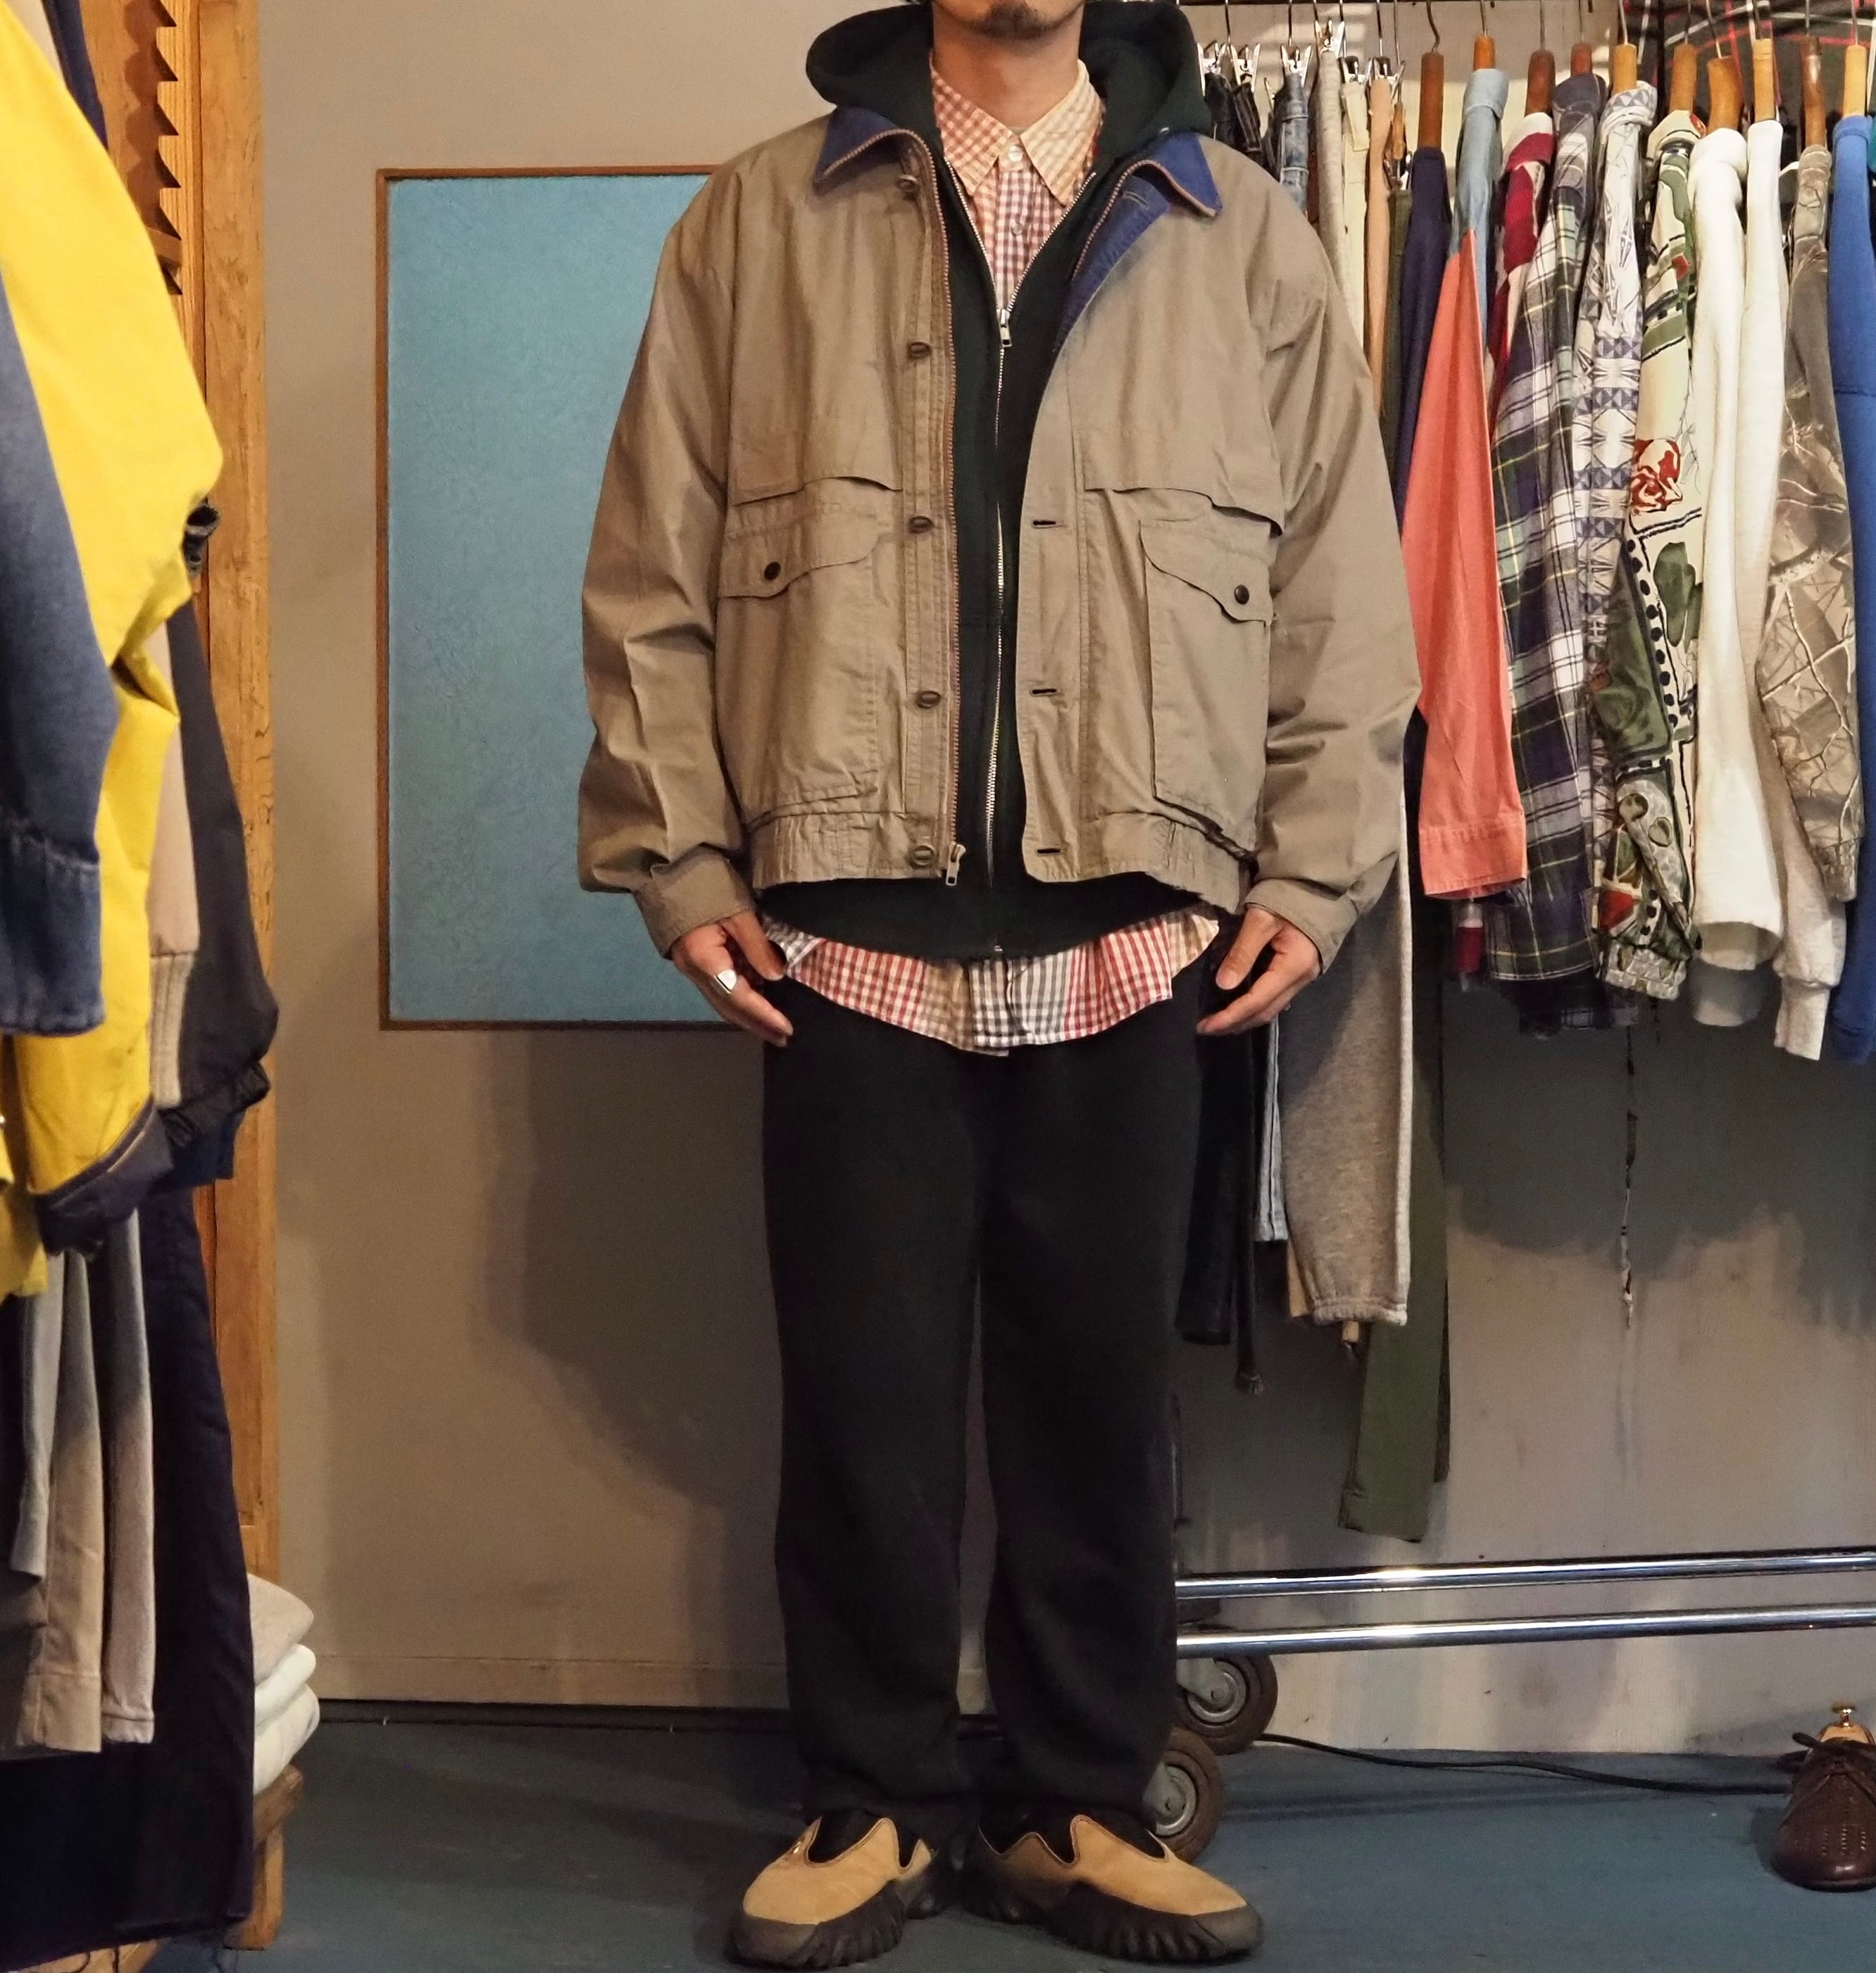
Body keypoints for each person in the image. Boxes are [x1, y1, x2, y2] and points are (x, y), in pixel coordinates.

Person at [578, 1, 1417, 1963]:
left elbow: (1335, 579)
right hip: (845, 932)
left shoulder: (1242, 232)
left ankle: (1077, 1803)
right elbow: (650, 571)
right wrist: (678, 853)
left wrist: (1314, 865)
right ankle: (866, 1800)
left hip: (1137, 931)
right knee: (858, 1403)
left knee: (1100, 1406)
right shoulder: (754, 223)